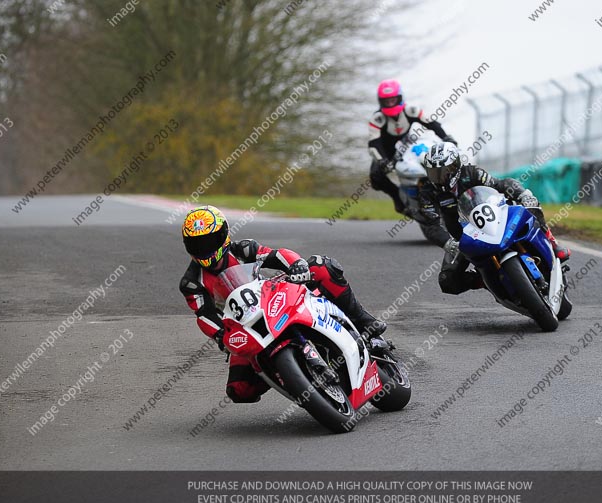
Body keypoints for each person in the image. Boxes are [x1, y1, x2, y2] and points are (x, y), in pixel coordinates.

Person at [179, 205, 385, 403]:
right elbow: (204, 315)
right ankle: (292, 376)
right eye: (197, 244)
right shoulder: (192, 282)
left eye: (209, 241)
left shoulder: (243, 250)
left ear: (224, 235)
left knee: (321, 267)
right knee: (239, 390)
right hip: (244, 327)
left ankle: (364, 321)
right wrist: (220, 335)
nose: (204, 249)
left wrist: (296, 265)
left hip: (273, 301)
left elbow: (276, 256)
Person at [417, 142, 570, 295]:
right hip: (462, 239)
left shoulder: (472, 173)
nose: (439, 177)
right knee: (447, 281)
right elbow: (430, 224)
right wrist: (447, 242)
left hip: (494, 218)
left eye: (443, 171)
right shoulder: (427, 192)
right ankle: (486, 280)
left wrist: (523, 195)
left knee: (531, 206)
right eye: (434, 173)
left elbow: (500, 184)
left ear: (455, 166)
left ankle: (552, 243)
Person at [368, 79, 457, 214]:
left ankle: (444, 191)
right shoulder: (377, 119)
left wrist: (446, 138)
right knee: (376, 178)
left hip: (407, 147)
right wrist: (382, 160)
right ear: (381, 102)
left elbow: (432, 124)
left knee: (429, 160)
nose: (390, 104)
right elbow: (374, 143)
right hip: (387, 153)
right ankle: (398, 198)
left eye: (393, 100)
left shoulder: (411, 111)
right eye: (386, 101)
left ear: (400, 98)